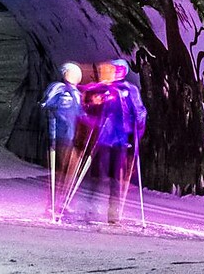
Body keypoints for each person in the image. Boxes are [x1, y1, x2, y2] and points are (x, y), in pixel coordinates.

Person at [87, 59, 147, 224]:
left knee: (115, 178)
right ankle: (90, 207)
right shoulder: (105, 88)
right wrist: (95, 106)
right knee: (96, 174)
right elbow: (93, 108)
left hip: (120, 139)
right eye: (114, 69)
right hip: (104, 138)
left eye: (118, 69)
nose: (115, 72)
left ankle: (113, 213)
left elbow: (139, 111)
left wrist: (137, 127)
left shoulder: (129, 90)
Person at [41, 62, 85, 218]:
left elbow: (80, 113)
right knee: (61, 170)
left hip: (70, 135)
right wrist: (53, 109)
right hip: (58, 134)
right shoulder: (58, 88)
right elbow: (46, 104)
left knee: (71, 167)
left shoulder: (76, 93)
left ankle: (62, 201)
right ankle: (53, 204)